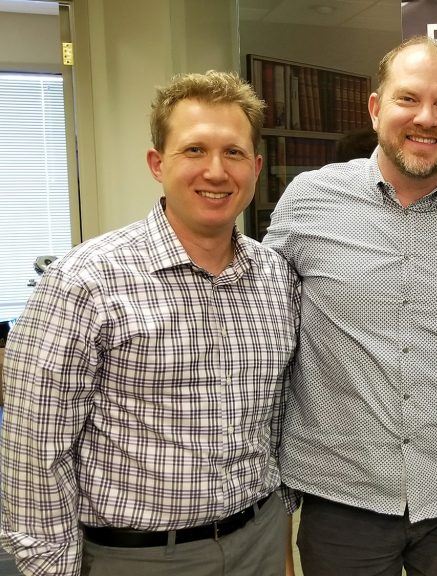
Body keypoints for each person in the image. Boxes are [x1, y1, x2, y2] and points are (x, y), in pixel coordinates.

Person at [0, 70, 299, 575]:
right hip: (136, 558)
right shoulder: (85, 281)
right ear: (157, 164)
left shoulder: (276, 277)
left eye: (233, 153)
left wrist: (280, 535)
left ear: (255, 168)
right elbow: (34, 450)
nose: (216, 171)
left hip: (260, 543)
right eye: (194, 150)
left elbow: (275, 423)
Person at [262, 36, 437, 576]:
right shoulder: (309, 199)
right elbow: (264, 337)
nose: (427, 118)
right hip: (341, 498)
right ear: (376, 108)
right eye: (409, 99)